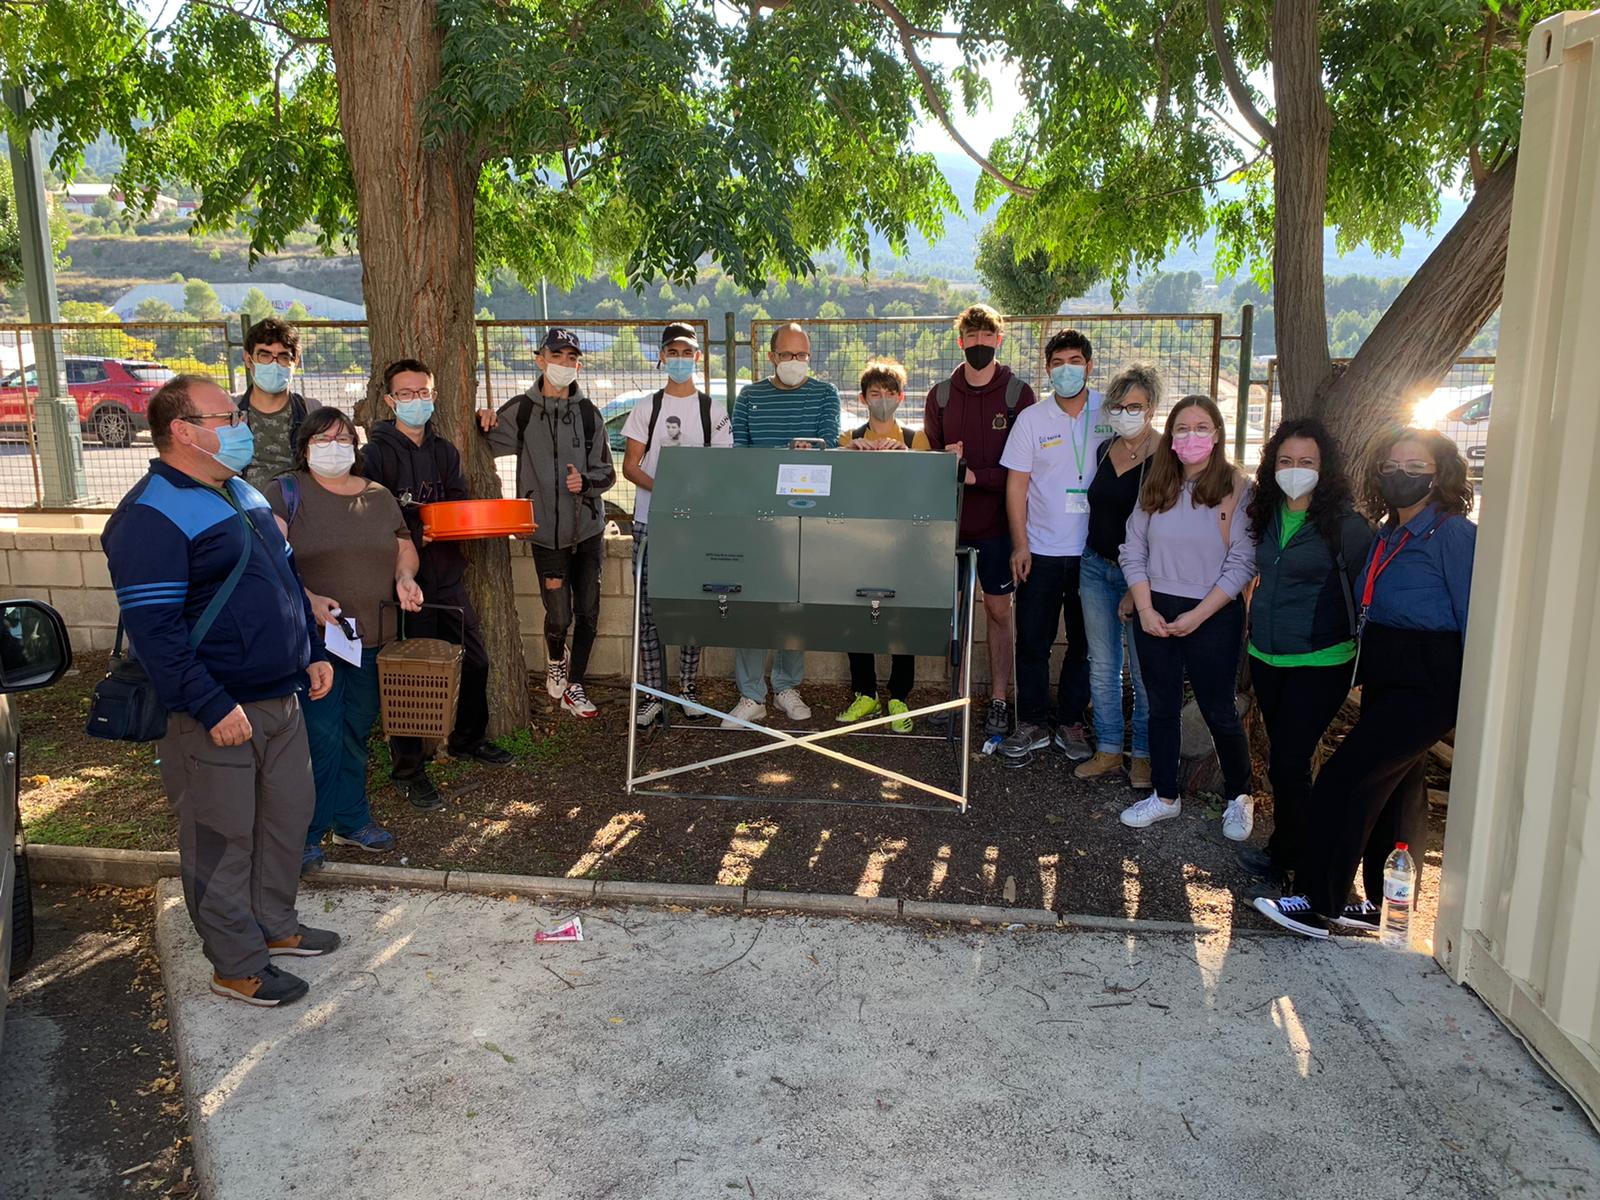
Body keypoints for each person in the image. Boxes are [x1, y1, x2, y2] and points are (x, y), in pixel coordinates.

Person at [102, 374, 337, 1008]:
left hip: (281, 697)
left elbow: (286, 582)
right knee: (222, 840)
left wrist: (311, 653)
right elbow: (156, 632)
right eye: (224, 416)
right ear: (182, 431)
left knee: (285, 821)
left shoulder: (240, 492)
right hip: (218, 712)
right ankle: (236, 964)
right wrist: (210, 705)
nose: (237, 424)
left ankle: (275, 927)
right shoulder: (149, 516)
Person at [1255, 428, 1476, 939]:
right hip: (1385, 671)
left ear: (1439, 473)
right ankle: (1384, 903)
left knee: (1344, 778)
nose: (1402, 475)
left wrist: (1470, 698)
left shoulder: (1454, 535)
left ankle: (1318, 901)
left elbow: (1472, 618)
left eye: (1415, 466)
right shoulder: (1390, 534)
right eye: (1392, 465)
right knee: (1399, 790)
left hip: (1429, 678)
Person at [265, 409, 425, 874]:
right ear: (305, 446)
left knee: (356, 729)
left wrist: (405, 578)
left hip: (371, 639)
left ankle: (350, 819)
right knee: (319, 735)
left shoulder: (377, 496)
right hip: (316, 644)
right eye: (323, 438)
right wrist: (308, 598)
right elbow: (270, 561)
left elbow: (403, 545)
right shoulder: (287, 492)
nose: (334, 446)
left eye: (343, 438)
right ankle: (306, 833)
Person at [365, 358, 512, 811]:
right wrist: (415, 525)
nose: (416, 401)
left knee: (476, 660)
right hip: (404, 586)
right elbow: (372, 511)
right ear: (390, 400)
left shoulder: (445, 450)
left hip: (447, 576)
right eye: (406, 394)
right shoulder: (374, 453)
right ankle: (409, 769)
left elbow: (458, 504)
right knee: (411, 679)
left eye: (423, 392)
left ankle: (468, 738)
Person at [1240, 418, 1373, 888]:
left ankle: (1296, 862)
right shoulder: (1265, 513)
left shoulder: (1346, 527)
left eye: (1306, 462)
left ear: (1325, 467)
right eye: (1286, 461)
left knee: (1289, 762)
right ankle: (1293, 851)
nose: (1295, 469)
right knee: (1287, 759)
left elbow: (1368, 594)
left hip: (1321, 660)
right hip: (1267, 657)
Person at [1118, 394, 1256, 837]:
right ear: (1171, 435)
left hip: (1213, 612)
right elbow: (1132, 550)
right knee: (1160, 707)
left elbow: (1242, 560)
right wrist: (1144, 607)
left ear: (1216, 435)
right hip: (1155, 608)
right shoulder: (1156, 486)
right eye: (1182, 428)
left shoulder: (1237, 487)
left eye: (1201, 428)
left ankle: (1239, 795)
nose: (1191, 437)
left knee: (1218, 709)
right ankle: (1164, 795)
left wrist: (1200, 615)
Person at [476, 328, 615, 719]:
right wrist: (479, 418)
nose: (564, 365)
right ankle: (557, 658)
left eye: (572, 358)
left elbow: (608, 474)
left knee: (588, 611)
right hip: (543, 533)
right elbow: (481, 443)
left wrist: (585, 483)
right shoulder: (521, 409)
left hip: (587, 531)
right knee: (558, 614)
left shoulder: (589, 414)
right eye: (557, 356)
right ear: (540, 360)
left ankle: (575, 685)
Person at [923, 304, 1037, 736]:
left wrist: (975, 474)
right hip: (951, 526)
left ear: (999, 340)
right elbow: (933, 464)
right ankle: (955, 697)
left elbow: (1023, 469)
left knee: (997, 611)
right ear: (960, 342)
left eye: (987, 337)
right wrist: (947, 464)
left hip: (997, 527)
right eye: (971, 337)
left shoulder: (1018, 395)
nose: (979, 344)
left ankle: (1000, 700)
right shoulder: (941, 396)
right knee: (950, 614)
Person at [725, 322, 841, 727]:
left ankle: (788, 686)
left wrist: (778, 459)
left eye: (803, 355)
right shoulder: (749, 397)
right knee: (752, 604)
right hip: (756, 520)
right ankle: (751, 694)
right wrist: (788, 456)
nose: (796, 362)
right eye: (788, 355)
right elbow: (739, 458)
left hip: (805, 519)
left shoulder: (825, 394)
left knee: (796, 603)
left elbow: (826, 450)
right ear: (771, 357)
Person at [999, 329, 1108, 761]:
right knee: (1033, 641)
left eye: (1076, 360)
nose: (1068, 369)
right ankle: (1031, 723)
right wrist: (1019, 545)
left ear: (1090, 365)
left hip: (1095, 555)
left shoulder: (1110, 412)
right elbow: (1016, 488)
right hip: (1041, 551)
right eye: (1059, 362)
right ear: (1048, 369)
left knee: (1085, 643)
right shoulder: (1032, 419)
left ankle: (1071, 724)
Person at [621, 323, 734, 728]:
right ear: (662, 357)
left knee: (692, 605)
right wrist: (666, 491)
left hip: (695, 527)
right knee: (648, 609)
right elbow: (630, 465)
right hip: (650, 523)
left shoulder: (712, 411)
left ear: (698, 358)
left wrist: (694, 497)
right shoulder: (646, 408)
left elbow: (722, 468)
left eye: (687, 351)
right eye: (673, 351)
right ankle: (653, 692)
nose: (680, 358)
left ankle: (686, 689)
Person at [1075, 364, 1161, 788]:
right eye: (1120, 405)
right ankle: (1108, 749)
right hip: (1094, 567)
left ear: (1152, 408)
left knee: (1143, 671)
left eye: (1136, 406)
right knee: (1103, 665)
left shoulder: (1167, 459)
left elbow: (1164, 529)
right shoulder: (1104, 448)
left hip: (1140, 578)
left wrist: (1136, 588)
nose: (1127, 412)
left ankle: (1142, 755)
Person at [835, 358, 929, 733]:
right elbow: (838, 486)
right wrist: (850, 455)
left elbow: (926, 488)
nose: (883, 399)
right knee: (857, 615)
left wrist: (905, 458)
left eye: (890, 393)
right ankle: (864, 692)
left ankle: (898, 695)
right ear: (862, 398)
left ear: (901, 398)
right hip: (859, 540)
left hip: (902, 541)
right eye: (875, 393)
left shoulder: (915, 438)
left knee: (901, 616)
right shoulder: (849, 437)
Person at [234, 317, 320, 492]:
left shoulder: (311, 411)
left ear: (295, 361)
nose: (274, 364)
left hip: (300, 510)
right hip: (244, 511)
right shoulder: (229, 411)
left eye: (283, 357)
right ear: (249, 359)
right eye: (264, 355)